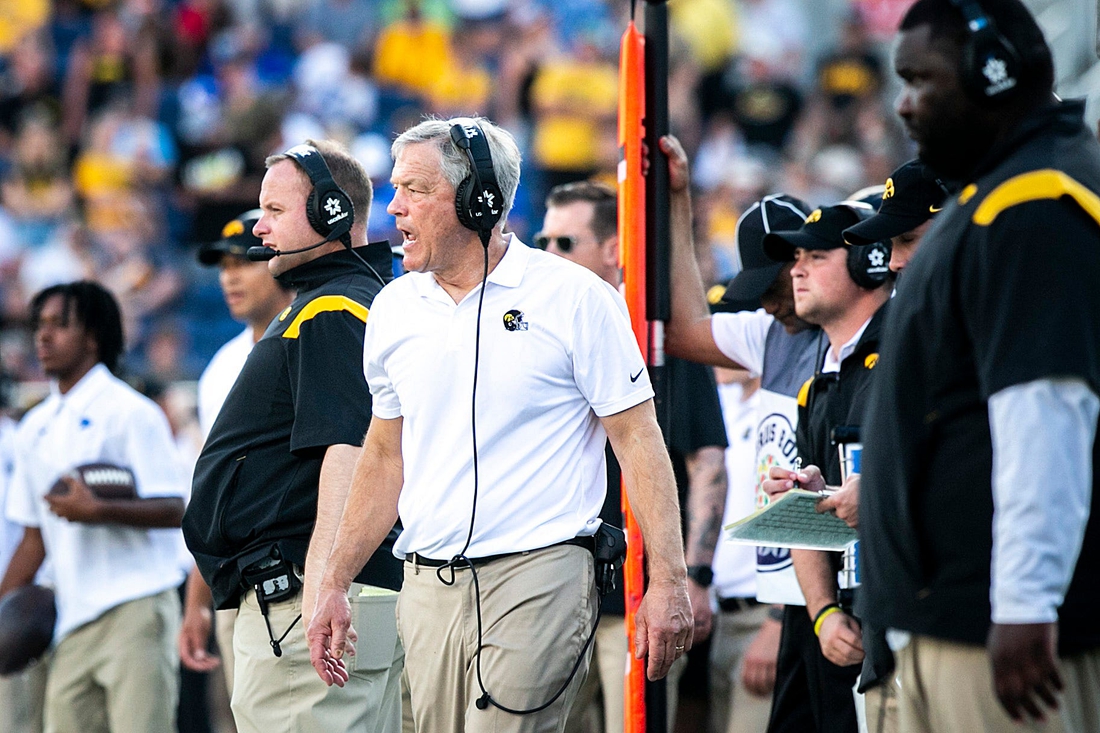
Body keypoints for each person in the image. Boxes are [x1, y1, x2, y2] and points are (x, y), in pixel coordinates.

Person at [307, 116, 692, 733]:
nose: (393, 208)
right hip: (427, 582)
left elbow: (637, 438)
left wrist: (668, 581)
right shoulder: (394, 308)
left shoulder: (576, 297)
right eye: (394, 188)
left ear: (477, 200)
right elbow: (384, 456)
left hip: (539, 575)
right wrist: (334, 580)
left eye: (415, 190)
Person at [859, 1, 1100, 731]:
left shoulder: (1032, 205)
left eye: (920, 80)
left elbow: (1044, 411)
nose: (903, 104)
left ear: (993, 76)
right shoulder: (1000, 191)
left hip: (994, 627)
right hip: (954, 616)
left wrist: (1026, 602)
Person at [182, 139, 403, 733]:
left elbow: (349, 449)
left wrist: (324, 585)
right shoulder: (337, 301)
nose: (261, 230)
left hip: (304, 601)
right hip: (315, 595)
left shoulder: (333, 307)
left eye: (275, 212)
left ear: (333, 214)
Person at [763, 159, 948, 733]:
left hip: (937, 614)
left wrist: (870, 491)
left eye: (817, 256)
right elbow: (840, 504)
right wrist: (821, 613)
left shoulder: (916, 343)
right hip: (863, 626)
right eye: (796, 258)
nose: (798, 271)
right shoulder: (816, 384)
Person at [536, 180, 728, 733]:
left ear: (616, 249)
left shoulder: (656, 341)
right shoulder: (539, 330)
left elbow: (706, 463)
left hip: (640, 598)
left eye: (565, 243)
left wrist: (692, 576)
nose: (549, 256)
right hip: (556, 593)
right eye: (543, 241)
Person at [661, 135, 816, 733]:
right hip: (731, 611)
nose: (772, 304)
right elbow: (680, 330)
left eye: (774, 287)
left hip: (793, 610)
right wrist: (679, 206)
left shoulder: (850, 343)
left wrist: (781, 618)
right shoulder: (768, 333)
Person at [0, 281, 189, 732]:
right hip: (70, 616)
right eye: (39, 326)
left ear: (93, 336)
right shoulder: (34, 426)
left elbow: (176, 508)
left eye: (59, 325)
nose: (43, 337)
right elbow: (33, 537)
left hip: (137, 607)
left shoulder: (131, 411)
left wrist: (100, 509)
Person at [178, 209, 295, 686]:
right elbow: (209, 490)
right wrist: (197, 601)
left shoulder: (313, 336)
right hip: (234, 572)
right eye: (223, 267)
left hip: (300, 567)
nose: (230, 278)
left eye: (243, 262)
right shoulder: (221, 367)